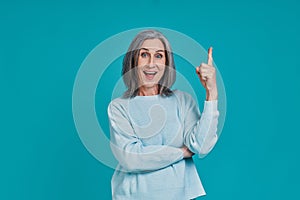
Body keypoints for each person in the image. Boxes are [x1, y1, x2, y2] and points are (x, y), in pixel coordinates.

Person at [107, 29, 219, 200]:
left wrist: (212, 92)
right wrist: (181, 153)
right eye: (144, 55)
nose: (151, 63)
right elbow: (132, 158)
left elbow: (201, 146)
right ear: (133, 61)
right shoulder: (118, 107)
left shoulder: (183, 100)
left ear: (167, 62)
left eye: (159, 56)